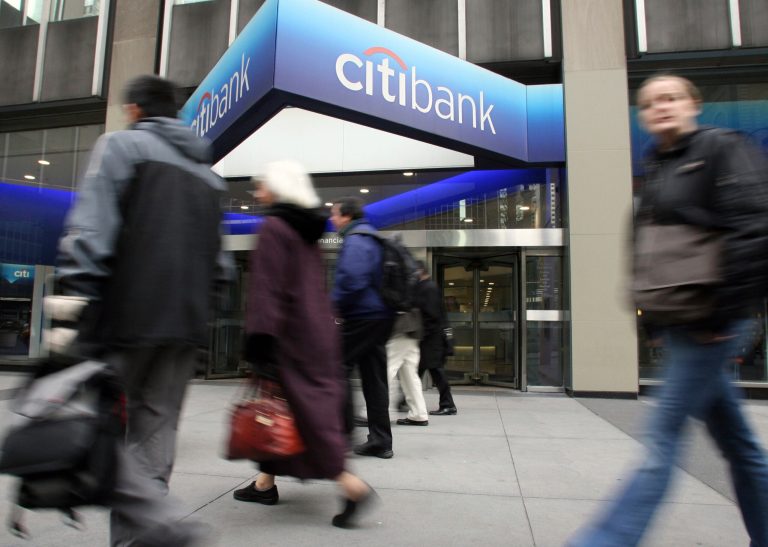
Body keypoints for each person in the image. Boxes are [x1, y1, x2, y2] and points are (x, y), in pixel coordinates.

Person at [568, 73, 768, 547]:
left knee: (660, 439)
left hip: (711, 324)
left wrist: (721, 317)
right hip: (684, 325)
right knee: (738, 445)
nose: (661, 107)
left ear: (693, 104)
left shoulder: (722, 148)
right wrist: (654, 321)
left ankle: (603, 541)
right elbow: (647, 252)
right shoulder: (657, 168)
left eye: (672, 98)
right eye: (651, 102)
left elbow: (755, 232)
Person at [56, 74, 231, 546]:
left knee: (99, 433)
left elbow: (91, 235)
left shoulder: (120, 148)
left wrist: (78, 300)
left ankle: (161, 523)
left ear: (135, 110)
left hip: (125, 317)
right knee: (155, 438)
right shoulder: (208, 177)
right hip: (184, 327)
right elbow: (221, 266)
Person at [232, 161, 376, 528]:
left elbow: (267, 290)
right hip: (316, 332)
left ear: (277, 189)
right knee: (284, 408)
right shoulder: (307, 231)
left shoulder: (275, 228)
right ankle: (266, 482)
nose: (256, 192)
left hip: (289, 337)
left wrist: (259, 342)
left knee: (306, 414)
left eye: (261, 185)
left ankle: (352, 486)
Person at [330, 197, 396, 459]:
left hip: (362, 316)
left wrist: (331, 305)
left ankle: (340, 436)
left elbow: (352, 279)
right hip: (380, 317)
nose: (332, 219)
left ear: (346, 216)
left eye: (334, 214)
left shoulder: (357, 239)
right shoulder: (371, 236)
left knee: (335, 367)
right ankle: (380, 441)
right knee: (374, 379)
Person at [413, 260, 457, 415]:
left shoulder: (429, 288)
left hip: (432, 340)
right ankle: (406, 400)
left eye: (415, 271)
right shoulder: (426, 287)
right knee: (417, 371)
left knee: (435, 372)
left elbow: (432, 316)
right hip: (430, 339)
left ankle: (448, 404)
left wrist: (421, 335)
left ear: (420, 271)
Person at [388, 307, 429, 426]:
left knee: (386, 370)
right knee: (410, 376)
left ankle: (376, 412)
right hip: (412, 327)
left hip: (401, 326)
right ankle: (418, 414)